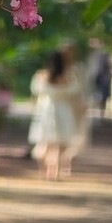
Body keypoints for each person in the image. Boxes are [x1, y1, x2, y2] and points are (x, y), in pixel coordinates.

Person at [28, 48, 85, 180]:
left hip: (46, 110)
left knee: (45, 142)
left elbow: (35, 91)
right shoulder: (66, 78)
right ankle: (54, 172)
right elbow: (75, 90)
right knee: (59, 144)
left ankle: (43, 170)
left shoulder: (41, 76)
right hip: (62, 110)